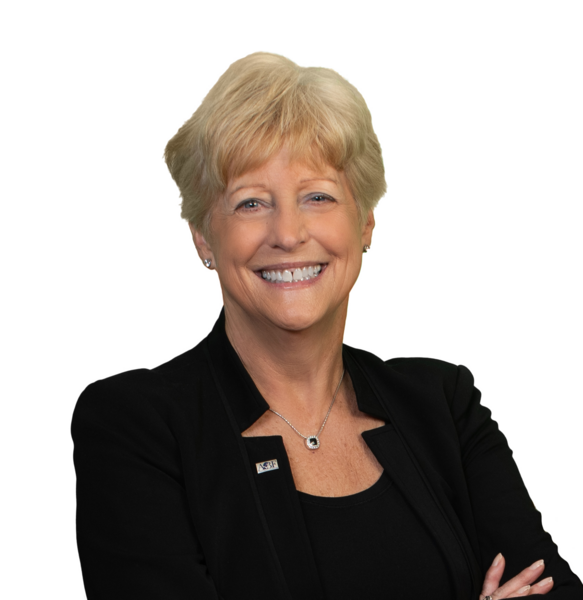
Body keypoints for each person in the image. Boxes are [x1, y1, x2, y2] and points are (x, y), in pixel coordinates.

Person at [71, 52, 582, 599]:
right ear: (203, 238)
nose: (288, 233)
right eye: (250, 203)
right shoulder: (134, 427)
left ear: (365, 223)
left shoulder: (443, 405)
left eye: (318, 196)